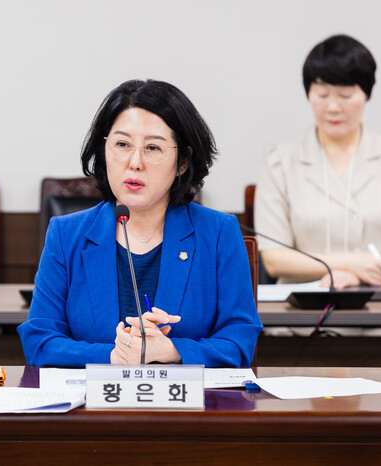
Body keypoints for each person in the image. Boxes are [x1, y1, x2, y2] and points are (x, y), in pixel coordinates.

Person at [19, 79, 262, 367]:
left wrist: (172, 350)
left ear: (183, 162)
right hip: (94, 396)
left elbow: (239, 340)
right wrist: (113, 356)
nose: (135, 162)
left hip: (185, 397)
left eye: (153, 148)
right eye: (122, 144)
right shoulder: (66, 235)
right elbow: (40, 341)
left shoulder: (219, 233)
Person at [255, 34, 381, 289]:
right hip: (301, 305)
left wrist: (360, 276)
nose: (333, 107)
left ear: (366, 94)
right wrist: (353, 263)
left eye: (346, 95)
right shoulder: (279, 160)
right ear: (308, 93)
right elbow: (274, 259)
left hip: (380, 301)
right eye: (322, 94)